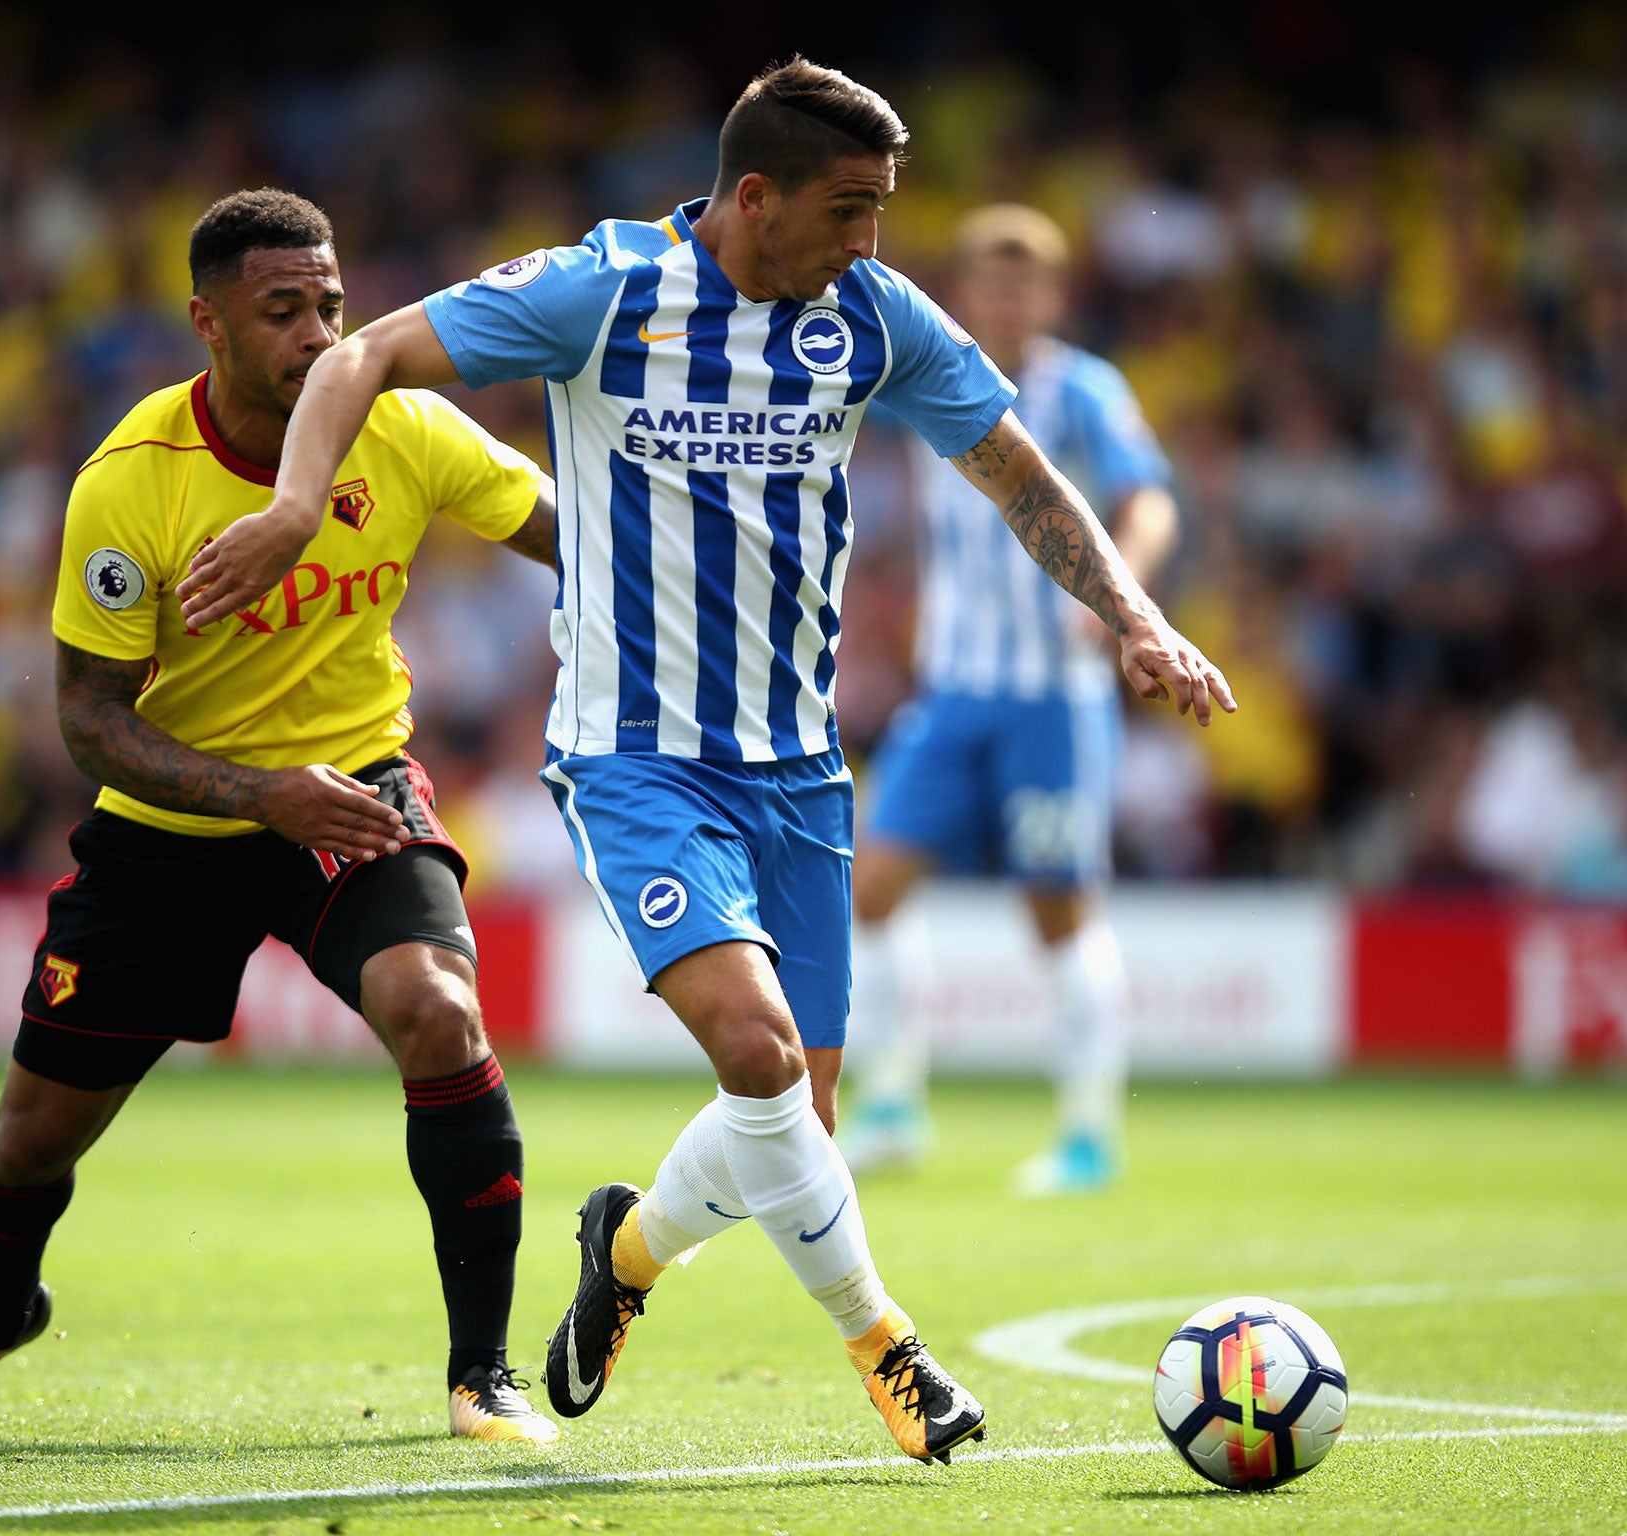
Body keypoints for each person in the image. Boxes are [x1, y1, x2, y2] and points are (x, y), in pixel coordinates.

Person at [179, 61, 1233, 1465]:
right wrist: (300, 505)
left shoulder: (868, 315)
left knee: (799, 1107)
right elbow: (365, 353)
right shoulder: (604, 291)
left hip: (799, 771)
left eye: (883, 212)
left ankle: (628, 1256)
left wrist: (1139, 616)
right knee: (760, 1051)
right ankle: (891, 1351)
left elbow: (1021, 473)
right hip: (638, 760)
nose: (870, 241)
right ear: (755, 197)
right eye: (850, 210)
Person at [0, 189, 563, 1445]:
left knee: (439, 1012)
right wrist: (252, 795)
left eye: (329, 305)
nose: (316, 333)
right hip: (168, 834)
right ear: (207, 324)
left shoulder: (402, 427)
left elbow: (582, 543)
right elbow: (90, 724)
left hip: (352, 795)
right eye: (281, 309)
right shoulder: (131, 483)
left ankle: (480, 1372)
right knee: (27, 1145)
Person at [839, 204, 1179, 1195]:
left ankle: (1085, 1135)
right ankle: (893, 1105)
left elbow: (1147, 496)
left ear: (1053, 296)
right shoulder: (925, 373)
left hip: (1052, 698)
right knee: (870, 888)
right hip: (951, 690)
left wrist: (1123, 601)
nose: (1006, 300)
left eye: (1024, 285)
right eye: (990, 283)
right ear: (965, 290)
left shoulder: (1081, 391)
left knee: (1055, 912)